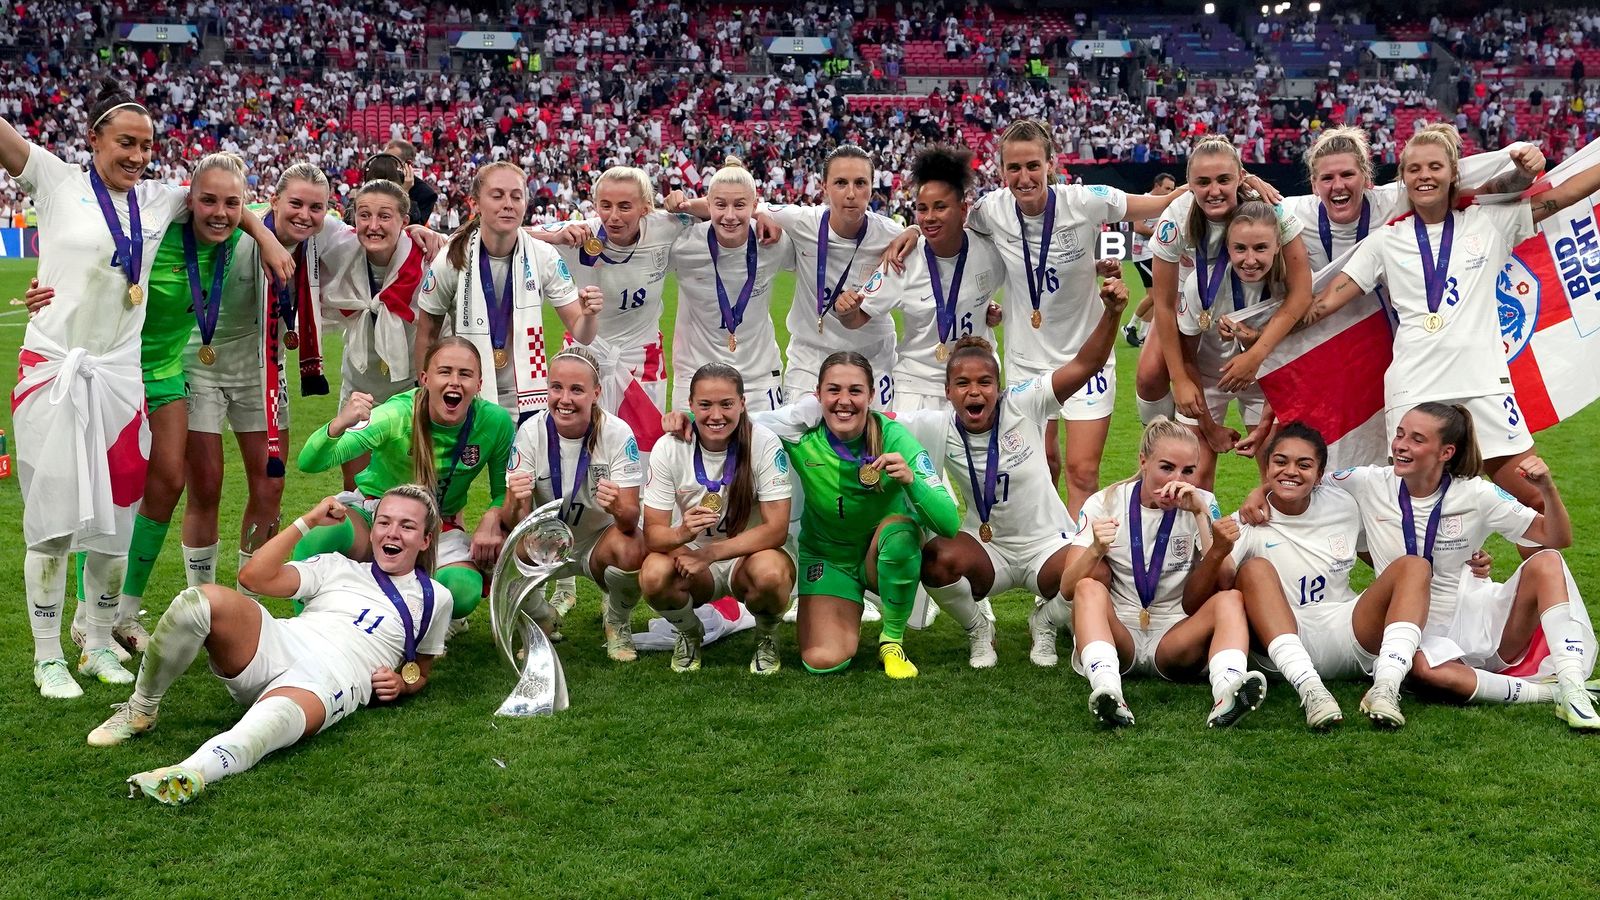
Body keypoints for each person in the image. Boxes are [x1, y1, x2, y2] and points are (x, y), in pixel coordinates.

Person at [1, 84, 293, 699]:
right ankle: (47, 654)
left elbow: (223, 196)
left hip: (121, 377)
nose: (136, 155)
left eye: (145, 145)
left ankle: (100, 638)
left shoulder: (161, 200)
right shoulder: (55, 181)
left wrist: (263, 235)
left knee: (118, 519)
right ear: (95, 141)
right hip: (54, 367)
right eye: (124, 143)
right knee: (53, 521)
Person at [85, 487, 452, 806]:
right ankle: (140, 709)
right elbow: (253, 578)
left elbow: (421, 667)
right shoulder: (337, 566)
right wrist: (307, 521)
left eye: (407, 526)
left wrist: (403, 684)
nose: (393, 533)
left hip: (333, 677)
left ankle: (189, 774)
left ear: (425, 539)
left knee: (267, 725)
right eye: (385, 522)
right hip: (282, 641)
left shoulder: (437, 598)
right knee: (199, 601)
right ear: (373, 531)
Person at [890, 119, 1183, 518]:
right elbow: (944, 218)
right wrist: (911, 228)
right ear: (1002, 170)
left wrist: (1217, 185)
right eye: (1014, 168)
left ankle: (1078, 566)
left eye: (1032, 166)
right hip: (1028, 360)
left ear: (1051, 164)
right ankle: (1050, 549)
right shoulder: (991, 210)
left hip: (1087, 358)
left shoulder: (1084, 201)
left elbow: (1156, 202)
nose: (1023, 177)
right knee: (1042, 466)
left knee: (1082, 472)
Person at [1306, 122, 1600, 514]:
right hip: (1415, 389)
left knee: (1535, 502)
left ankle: (1533, 577)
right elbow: (1324, 303)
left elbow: (1563, 195)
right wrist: (1258, 336)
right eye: (1414, 169)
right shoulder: (1384, 242)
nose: (1424, 176)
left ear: (1452, 175)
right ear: (1403, 178)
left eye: (1434, 167)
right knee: (1417, 512)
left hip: (1484, 386)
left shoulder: (1489, 222)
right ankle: (1438, 577)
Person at [1244, 404, 1597, 729]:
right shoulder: (1367, 482)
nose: (1401, 445)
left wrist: (1548, 490)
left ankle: (1573, 687)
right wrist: (1259, 492)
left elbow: (1556, 537)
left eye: (1416, 439)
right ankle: (1548, 694)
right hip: (1412, 628)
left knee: (1547, 561)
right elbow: (1301, 477)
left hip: (1472, 615)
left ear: (1446, 452)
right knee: (1426, 672)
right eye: (1399, 434)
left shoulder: (1477, 494)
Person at [901, 276, 1127, 668]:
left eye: (986, 382)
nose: (975, 392)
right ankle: (978, 629)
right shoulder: (935, 426)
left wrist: (1111, 313)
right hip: (988, 549)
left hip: (1047, 544)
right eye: (963, 383)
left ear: (999, 385)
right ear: (948, 391)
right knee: (934, 559)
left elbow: (1086, 365)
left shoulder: (1024, 403)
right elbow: (871, 421)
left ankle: (1046, 622)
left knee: (1097, 571)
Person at [1062, 418, 1268, 728]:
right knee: (1088, 588)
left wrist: (1199, 514)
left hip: (1176, 637)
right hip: (1121, 634)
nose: (1177, 480)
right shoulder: (1105, 503)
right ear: (1144, 462)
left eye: (1188, 471)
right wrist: (1095, 548)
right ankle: (1109, 691)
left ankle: (1227, 692)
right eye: (1167, 467)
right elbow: (1067, 588)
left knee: (1231, 599)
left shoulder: (1203, 502)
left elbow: (1225, 578)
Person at [1227, 423, 1435, 729]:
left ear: (1321, 474)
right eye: (1281, 462)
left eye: (1304, 464)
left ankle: (1386, 685)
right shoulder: (1248, 519)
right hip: (1282, 639)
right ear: (1267, 466)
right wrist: (1260, 493)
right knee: (1255, 569)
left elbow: (1375, 550)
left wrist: (1464, 564)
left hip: (1346, 628)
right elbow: (1212, 590)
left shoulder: (1344, 501)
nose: (1291, 471)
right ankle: (1311, 691)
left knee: (1415, 565)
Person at [295, 338, 514, 626]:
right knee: (320, 536)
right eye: (445, 371)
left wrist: (493, 514)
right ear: (424, 378)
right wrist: (338, 425)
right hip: (375, 515)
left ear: (480, 383)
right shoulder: (396, 414)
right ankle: (307, 627)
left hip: (437, 526)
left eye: (465, 374)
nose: (455, 382)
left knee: (462, 591)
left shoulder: (495, 422)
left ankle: (422, 616)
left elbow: (503, 493)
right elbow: (309, 463)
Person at [781, 351, 960, 678]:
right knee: (823, 661)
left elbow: (949, 523)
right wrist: (687, 419)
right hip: (828, 557)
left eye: (855, 391)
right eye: (833, 390)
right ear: (818, 394)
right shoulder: (799, 434)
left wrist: (910, 480)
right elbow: (738, 421)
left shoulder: (893, 436)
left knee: (901, 535)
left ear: (871, 396)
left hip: (881, 555)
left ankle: (892, 639)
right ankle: (845, 606)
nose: (843, 401)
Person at [1148, 136, 1311, 436]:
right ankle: (1159, 446)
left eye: (1224, 179)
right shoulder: (1175, 217)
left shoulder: (1270, 210)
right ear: (1189, 185)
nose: (1214, 191)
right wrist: (1180, 378)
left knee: (1276, 445)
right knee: (1149, 375)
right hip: (1194, 297)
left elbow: (1301, 292)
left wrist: (1256, 354)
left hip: (1256, 307)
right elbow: (1163, 303)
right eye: (1203, 182)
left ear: (1240, 176)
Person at [416, 161, 603, 419]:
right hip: (464, 395)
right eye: (497, 195)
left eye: (516, 196)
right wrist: (424, 395)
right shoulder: (451, 259)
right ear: (476, 203)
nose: (508, 204)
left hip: (527, 397)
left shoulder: (543, 256)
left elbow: (583, 333)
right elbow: (427, 334)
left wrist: (589, 314)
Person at [641, 364, 794, 673]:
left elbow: (776, 529)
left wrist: (709, 555)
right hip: (695, 561)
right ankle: (689, 631)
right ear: (691, 404)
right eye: (705, 405)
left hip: (748, 557)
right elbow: (653, 535)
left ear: (742, 403)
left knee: (772, 574)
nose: (716, 415)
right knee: (654, 573)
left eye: (726, 404)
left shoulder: (763, 442)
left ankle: (766, 636)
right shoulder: (670, 447)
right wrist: (683, 532)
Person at [501, 347, 648, 661]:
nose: (564, 399)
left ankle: (617, 622)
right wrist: (516, 500)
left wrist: (617, 507)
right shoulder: (529, 432)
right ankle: (542, 616)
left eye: (576, 390)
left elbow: (631, 519)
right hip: (548, 541)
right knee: (503, 551)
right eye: (556, 388)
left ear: (596, 393)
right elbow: (517, 523)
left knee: (634, 547)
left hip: (598, 542)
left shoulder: (618, 433)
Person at [834, 144, 1004, 413]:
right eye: (922, 209)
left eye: (940, 207)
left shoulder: (990, 251)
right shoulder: (902, 259)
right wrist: (846, 310)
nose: (929, 217)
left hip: (974, 384)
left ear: (963, 209)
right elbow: (857, 318)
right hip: (917, 387)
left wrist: (993, 309)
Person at [534, 165, 695, 409]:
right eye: (606, 205)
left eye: (625, 206)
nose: (614, 216)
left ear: (645, 208)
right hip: (587, 352)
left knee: (645, 446)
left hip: (643, 359)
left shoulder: (664, 225)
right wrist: (553, 237)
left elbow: (720, 211)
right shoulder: (580, 233)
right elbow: (503, 235)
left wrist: (687, 204)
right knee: (578, 442)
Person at [1174, 200, 1306, 487]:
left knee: (1278, 473)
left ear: (1278, 246)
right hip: (1208, 381)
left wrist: (1256, 341)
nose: (1250, 259)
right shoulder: (1201, 284)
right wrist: (1208, 426)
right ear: (1227, 248)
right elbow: (1186, 355)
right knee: (1193, 477)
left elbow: (1295, 348)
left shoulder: (1289, 284)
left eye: (1260, 248)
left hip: (1266, 381)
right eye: (1240, 249)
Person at [321, 180, 432, 492]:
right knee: (356, 490)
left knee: (418, 492)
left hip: (409, 394)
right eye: (364, 215)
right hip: (357, 391)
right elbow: (285, 210)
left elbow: (487, 237)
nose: (373, 226)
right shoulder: (342, 248)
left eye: (385, 216)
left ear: (405, 222)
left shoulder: (427, 258)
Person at [665, 160, 796, 413]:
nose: (729, 216)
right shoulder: (683, 244)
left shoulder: (774, 241)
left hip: (759, 379)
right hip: (696, 378)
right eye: (721, 204)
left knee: (762, 451)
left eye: (740, 205)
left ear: (755, 206)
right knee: (689, 452)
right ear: (709, 203)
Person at [1125, 172, 1177, 350]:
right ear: (1157, 185)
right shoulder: (1143, 200)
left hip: (1155, 253)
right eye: (1167, 188)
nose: (1169, 192)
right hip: (1143, 253)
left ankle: (1143, 334)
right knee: (1156, 295)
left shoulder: (1166, 206)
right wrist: (1163, 237)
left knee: (1153, 296)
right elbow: (1139, 227)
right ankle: (1130, 326)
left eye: (1172, 189)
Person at [384, 138, 438, 226]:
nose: (385, 164)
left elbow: (415, 227)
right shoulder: (376, 181)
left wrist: (405, 192)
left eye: (391, 161)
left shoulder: (426, 194)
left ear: (407, 165)